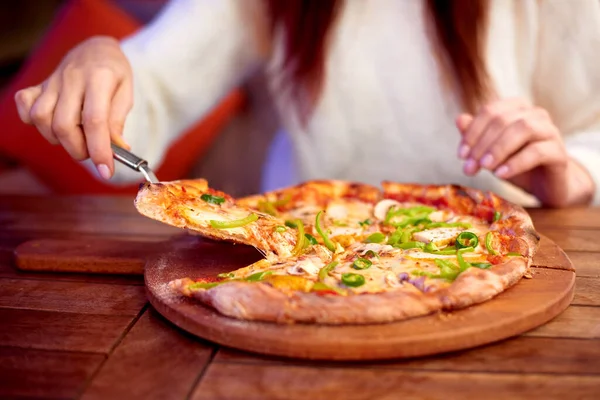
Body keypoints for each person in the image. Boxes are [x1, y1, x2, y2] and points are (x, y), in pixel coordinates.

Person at [13, 0, 600, 207]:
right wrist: (101, 62)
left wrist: (572, 173)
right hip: (304, 259)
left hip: (498, 256)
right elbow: (149, 94)